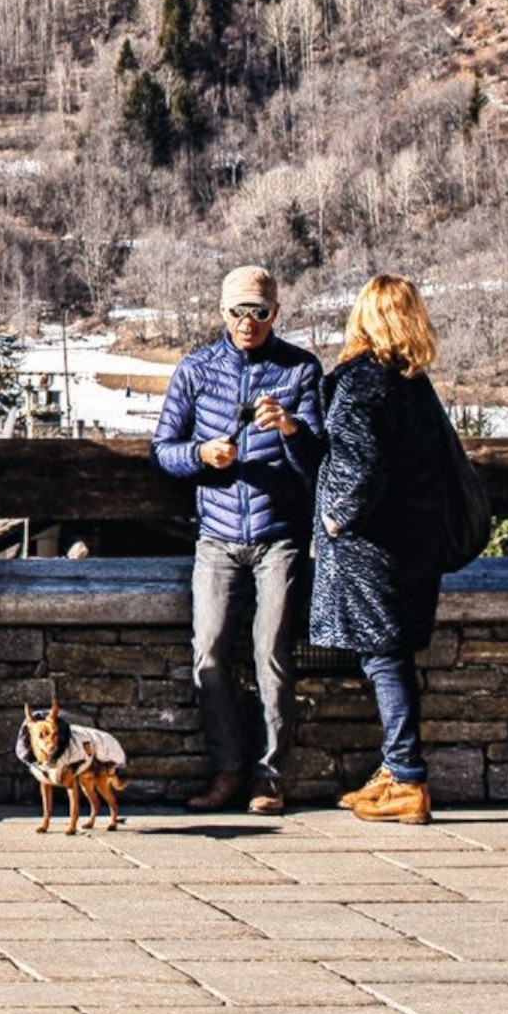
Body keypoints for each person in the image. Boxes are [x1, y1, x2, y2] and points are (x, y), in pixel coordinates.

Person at [151, 265, 323, 814]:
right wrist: (201, 455)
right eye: (239, 312)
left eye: (260, 312)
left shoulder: (300, 370)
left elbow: (320, 458)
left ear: (276, 313)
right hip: (218, 535)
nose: (249, 323)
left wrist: (290, 429)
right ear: (222, 312)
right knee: (210, 650)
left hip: (279, 536)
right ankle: (226, 770)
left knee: (272, 652)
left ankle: (269, 777)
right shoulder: (196, 370)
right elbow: (163, 448)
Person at [310, 274, 454, 826]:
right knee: (393, 655)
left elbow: (356, 464)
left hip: (372, 549)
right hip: (415, 544)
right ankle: (397, 771)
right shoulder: (413, 384)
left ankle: (405, 775)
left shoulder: (362, 383)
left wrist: (334, 517)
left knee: (382, 658)